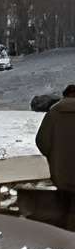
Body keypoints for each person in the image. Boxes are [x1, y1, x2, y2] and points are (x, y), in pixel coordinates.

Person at [35, 84, 75, 225]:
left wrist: (54, 156)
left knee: (66, 202)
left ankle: (65, 231)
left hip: (61, 170)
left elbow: (42, 141)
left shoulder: (54, 112)